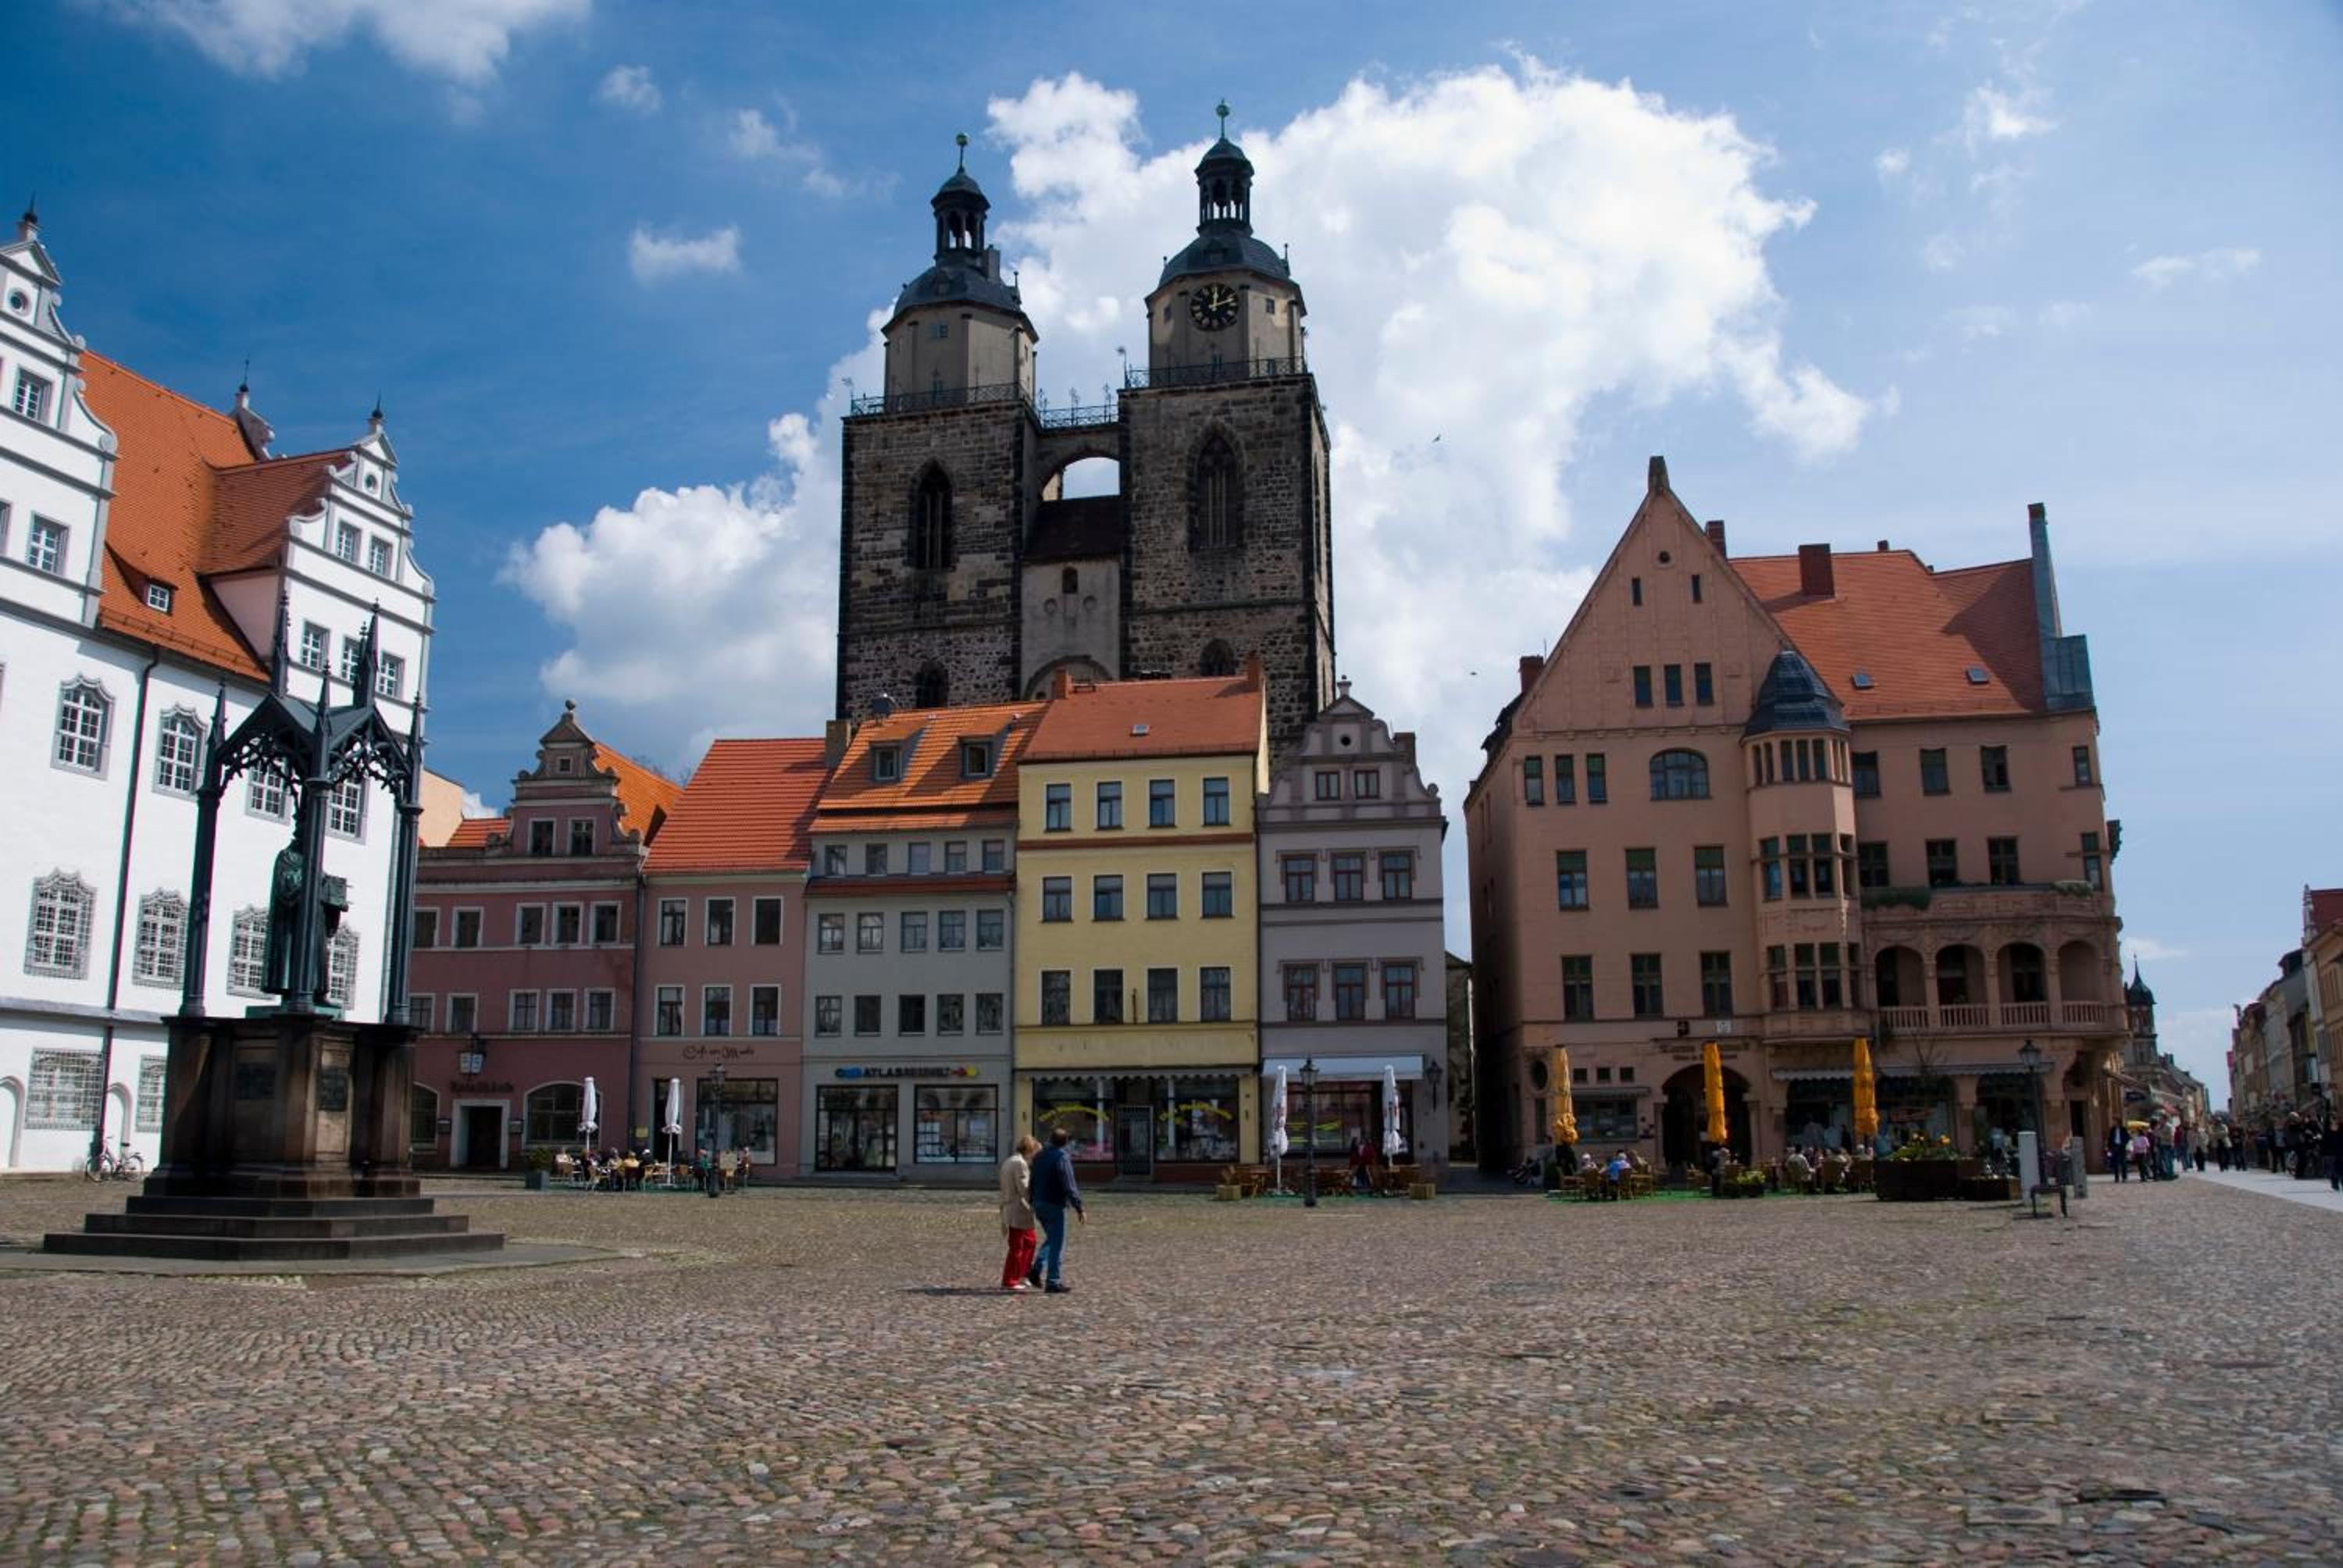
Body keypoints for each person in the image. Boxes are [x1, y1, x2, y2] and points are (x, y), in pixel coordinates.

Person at [1028, 1127, 1085, 1293]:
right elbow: (1069, 1184)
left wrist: (1033, 1200)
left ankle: (1036, 1269)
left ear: (1051, 1139)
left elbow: (1032, 1180)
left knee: (1053, 1239)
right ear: (1065, 1142)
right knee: (1058, 1244)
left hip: (1039, 1203)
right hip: (1054, 1203)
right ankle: (1053, 1281)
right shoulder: (1062, 1157)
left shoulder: (1039, 1156)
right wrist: (1079, 1207)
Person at [997, 1135, 1040, 1292]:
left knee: (1030, 1241)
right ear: (1030, 1150)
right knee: (1017, 1246)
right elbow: (1024, 1188)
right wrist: (1036, 1202)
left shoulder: (1010, 1160)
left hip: (1013, 1208)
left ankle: (1023, 1273)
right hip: (1017, 1209)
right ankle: (1010, 1280)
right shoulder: (1020, 1163)